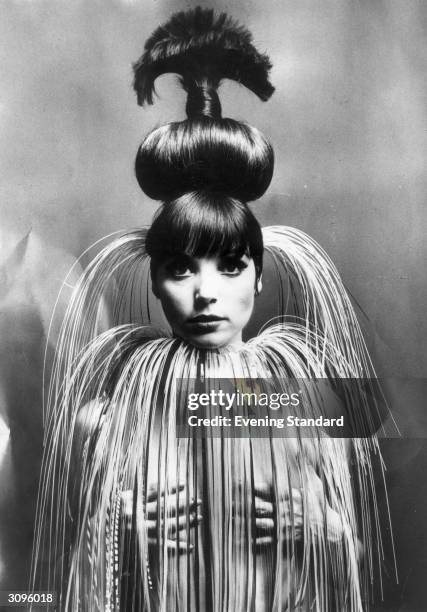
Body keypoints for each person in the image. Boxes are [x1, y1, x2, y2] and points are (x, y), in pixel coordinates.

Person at [31, 8, 388, 611]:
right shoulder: (106, 420)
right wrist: (120, 531)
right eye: (180, 268)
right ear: (153, 277)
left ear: (258, 270)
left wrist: (320, 529)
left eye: (229, 266)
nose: (204, 293)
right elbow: (83, 585)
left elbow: (351, 563)